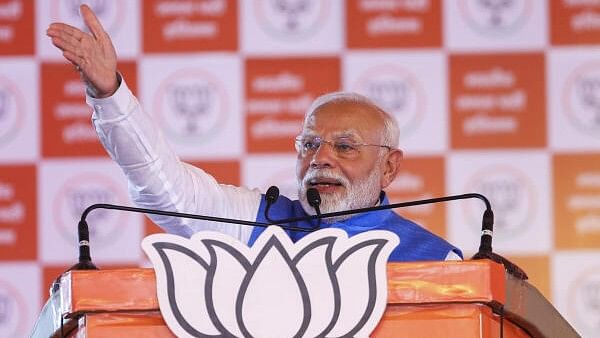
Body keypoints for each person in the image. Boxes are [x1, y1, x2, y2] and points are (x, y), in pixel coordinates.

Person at [47, 5, 462, 261]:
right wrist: (109, 93)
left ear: (388, 167)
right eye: (310, 144)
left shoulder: (437, 261)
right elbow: (164, 189)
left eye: (345, 146)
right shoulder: (259, 221)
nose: (320, 158)